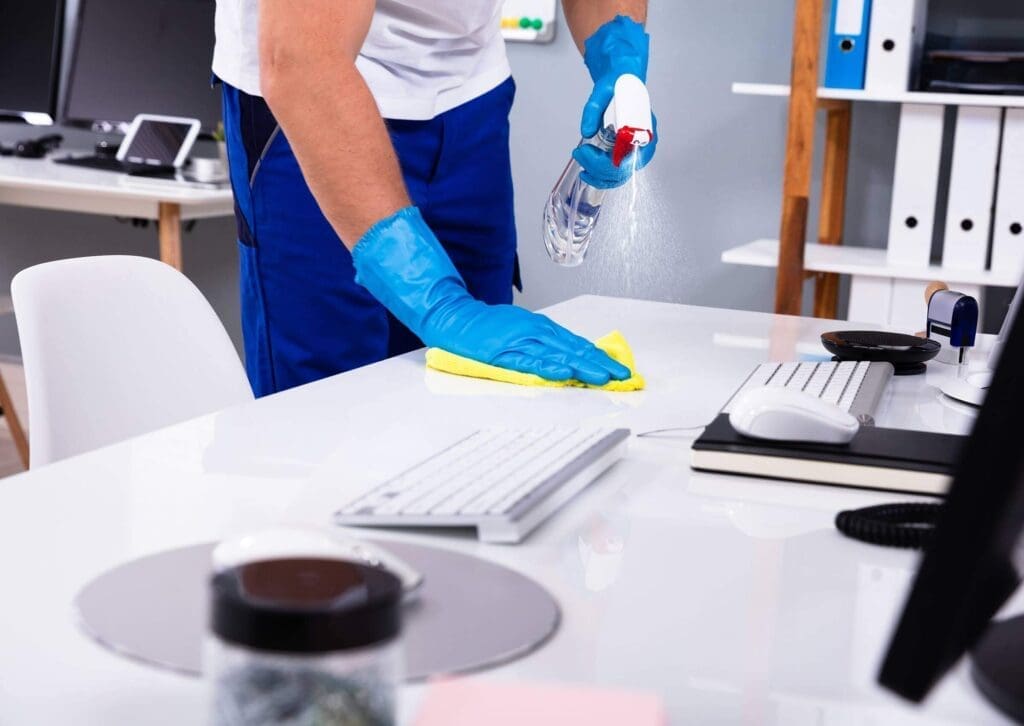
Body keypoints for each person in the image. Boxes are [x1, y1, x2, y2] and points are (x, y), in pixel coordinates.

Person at [212, 1, 657, 397]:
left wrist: (618, 55)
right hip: (315, 90)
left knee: (478, 392)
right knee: (326, 409)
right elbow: (303, 62)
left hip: (469, 94)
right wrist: (439, 303)